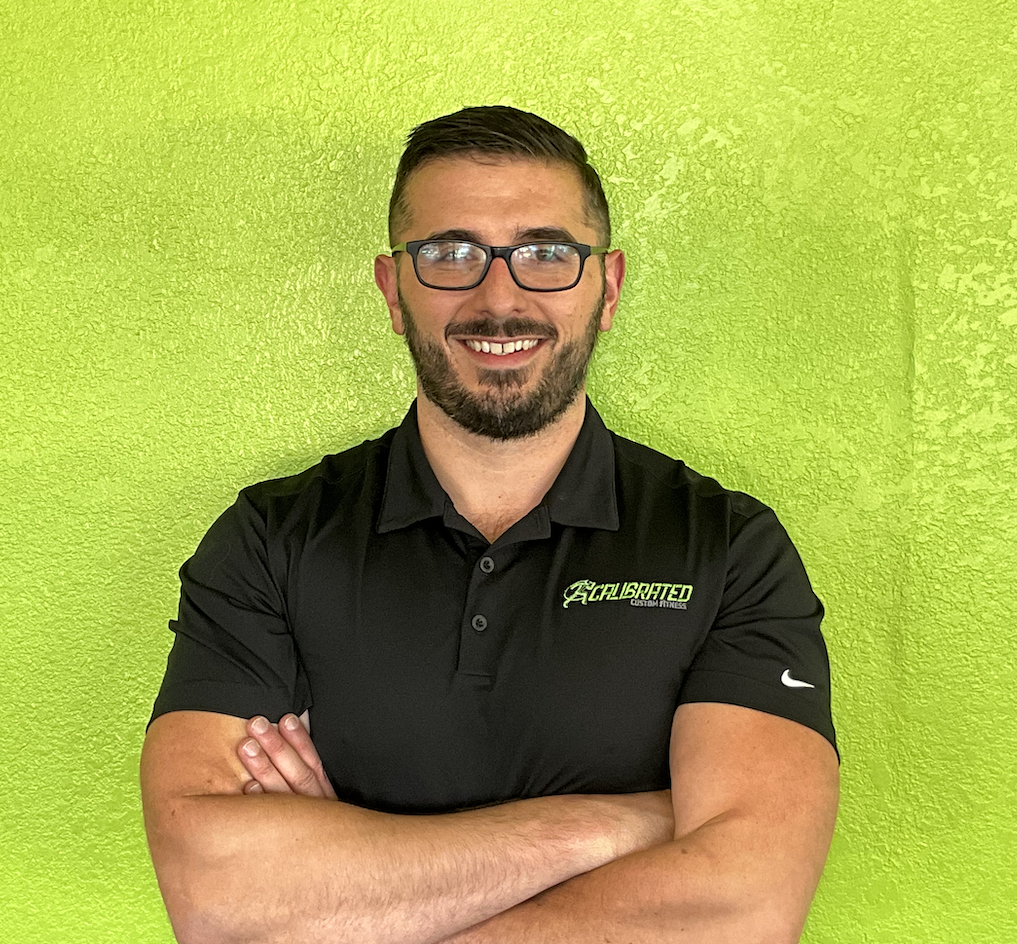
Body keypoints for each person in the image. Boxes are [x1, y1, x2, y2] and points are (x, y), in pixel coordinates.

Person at [140, 105, 839, 944]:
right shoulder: (269, 540)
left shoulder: (727, 547)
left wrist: (352, 903)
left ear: (606, 287)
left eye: (547, 253)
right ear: (392, 290)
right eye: (449, 253)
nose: (498, 298)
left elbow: (743, 907)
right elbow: (219, 901)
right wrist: (610, 828)